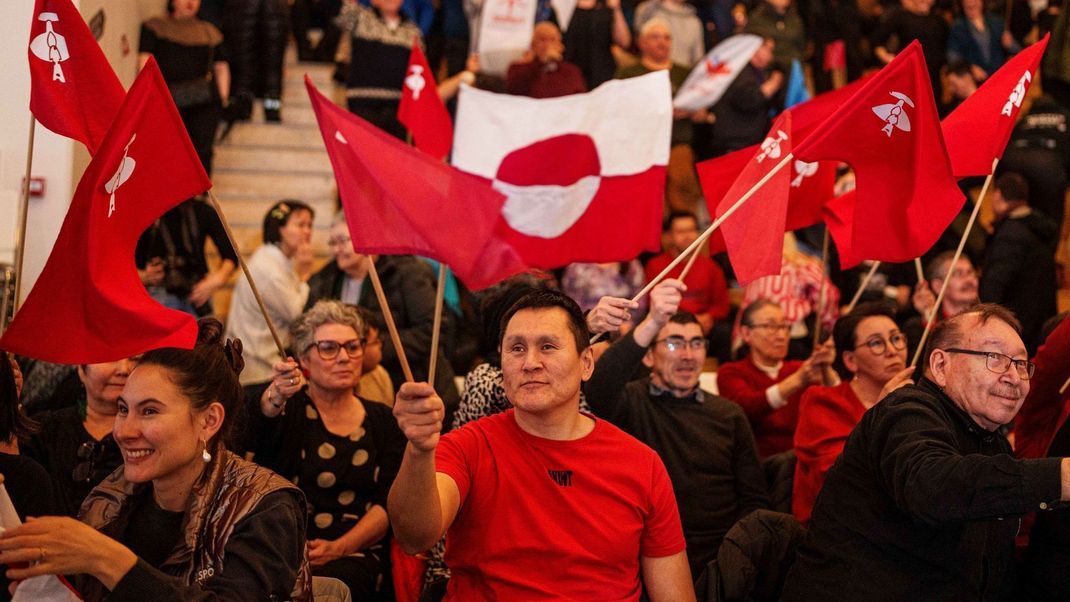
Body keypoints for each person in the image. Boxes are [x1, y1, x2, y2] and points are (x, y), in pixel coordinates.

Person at [388, 290, 695, 600]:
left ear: (586, 362)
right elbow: (414, 536)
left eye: (547, 347)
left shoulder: (642, 463)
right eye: (516, 348)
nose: (530, 363)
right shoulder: (468, 446)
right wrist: (418, 450)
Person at [0, 319, 311, 600]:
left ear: (209, 420)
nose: (123, 431)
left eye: (149, 411)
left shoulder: (264, 506)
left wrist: (107, 558)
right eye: (123, 410)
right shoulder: (108, 500)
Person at [783, 305, 1070, 600]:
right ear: (941, 365)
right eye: (994, 358)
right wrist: (1058, 476)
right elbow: (932, 487)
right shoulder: (906, 411)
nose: (1013, 376)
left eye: (1021, 364)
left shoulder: (992, 442)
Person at [585, 279, 769, 580]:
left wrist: (735, 558)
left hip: (719, 558)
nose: (687, 355)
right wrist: (653, 322)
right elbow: (598, 388)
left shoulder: (728, 414)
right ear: (648, 355)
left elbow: (754, 501)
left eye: (696, 343)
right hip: (643, 553)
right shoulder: (631, 402)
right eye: (674, 343)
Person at [251, 301, 405, 599]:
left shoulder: (384, 420)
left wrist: (339, 548)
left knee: (340, 584)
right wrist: (275, 395)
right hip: (285, 547)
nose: (344, 357)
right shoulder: (288, 409)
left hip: (357, 549)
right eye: (329, 348)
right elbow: (254, 422)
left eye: (352, 346)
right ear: (303, 359)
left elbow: (386, 505)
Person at [305, 213, 461, 414]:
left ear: (364, 238)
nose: (337, 249)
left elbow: (432, 331)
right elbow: (307, 326)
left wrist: (369, 348)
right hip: (356, 393)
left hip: (412, 385)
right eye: (332, 243)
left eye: (343, 240)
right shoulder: (325, 280)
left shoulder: (406, 272)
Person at [792, 303, 914, 523]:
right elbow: (839, 479)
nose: (892, 350)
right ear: (850, 360)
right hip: (838, 528)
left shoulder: (918, 402)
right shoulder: (823, 401)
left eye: (896, 339)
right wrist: (881, 412)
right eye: (876, 343)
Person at [717, 299, 837, 458]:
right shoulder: (731, 372)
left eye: (785, 327)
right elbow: (747, 407)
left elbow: (836, 402)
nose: (781, 335)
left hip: (801, 458)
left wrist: (826, 369)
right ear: (746, 333)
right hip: (758, 463)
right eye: (770, 327)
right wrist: (796, 381)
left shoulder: (798, 369)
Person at [616, 21, 708, 213]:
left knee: (684, 192)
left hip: (678, 144)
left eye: (667, 38)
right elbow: (619, 111)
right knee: (649, 203)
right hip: (642, 149)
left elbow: (702, 113)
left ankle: (685, 237)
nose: (662, 43)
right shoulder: (628, 74)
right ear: (641, 43)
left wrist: (691, 111)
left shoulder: (684, 73)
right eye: (655, 37)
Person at [24, 359, 135, 516]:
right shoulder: (42, 428)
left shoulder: (147, 437)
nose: (124, 369)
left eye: (135, 359)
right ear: (82, 369)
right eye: (111, 358)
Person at [225, 200, 314, 386]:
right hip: (257, 364)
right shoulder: (270, 269)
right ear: (280, 229)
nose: (307, 232)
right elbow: (296, 315)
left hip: (263, 355)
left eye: (309, 225)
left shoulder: (275, 258)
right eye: (300, 224)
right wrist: (305, 276)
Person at [139, 0, 230, 175]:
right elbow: (145, 63)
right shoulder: (155, 27)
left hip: (204, 102)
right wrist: (146, 95)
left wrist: (223, 99)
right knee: (166, 152)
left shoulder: (209, 32)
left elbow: (221, 66)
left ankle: (198, 198)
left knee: (200, 150)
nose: (190, 2)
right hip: (165, 101)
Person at [980, 172, 1058, 353]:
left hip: (1016, 329)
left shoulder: (1010, 234)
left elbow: (994, 286)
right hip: (1040, 325)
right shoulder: (1039, 228)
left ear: (998, 195)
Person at [336, 0, 424, 140]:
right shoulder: (360, 18)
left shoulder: (412, 30)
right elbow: (340, 16)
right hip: (362, 103)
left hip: (398, 108)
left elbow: (419, 70)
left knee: (392, 159)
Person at [644, 212, 731, 341]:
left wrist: (708, 317)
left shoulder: (711, 266)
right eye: (681, 231)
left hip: (704, 323)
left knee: (724, 333)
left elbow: (722, 305)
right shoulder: (655, 266)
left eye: (691, 230)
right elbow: (651, 303)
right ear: (669, 236)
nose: (687, 236)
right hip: (669, 321)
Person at [705, 37, 783, 158]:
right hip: (734, 143)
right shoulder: (739, 70)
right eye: (768, 49)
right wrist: (772, 85)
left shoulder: (759, 72)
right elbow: (747, 100)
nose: (771, 55)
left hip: (748, 141)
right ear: (756, 47)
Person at [872, 0, 949, 95]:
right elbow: (877, 42)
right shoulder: (900, 16)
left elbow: (945, 50)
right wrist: (891, 60)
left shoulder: (940, 21)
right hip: (907, 77)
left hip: (933, 79)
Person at [506, 22, 588, 98]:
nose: (547, 45)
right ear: (533, 44)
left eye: (552, 40)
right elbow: (513, 91)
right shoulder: (518, 68)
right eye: (542, 40)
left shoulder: (571, 71)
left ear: (559, 45)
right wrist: (541, 63)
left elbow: (580, 101)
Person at [563, 0, 632, 88]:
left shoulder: (607, 4)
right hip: (572, 73)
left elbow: (624, 42)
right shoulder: (564, 6)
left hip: (603, 72)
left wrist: (616, 9)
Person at [947, 0, 1018, 78]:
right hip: (974, 81)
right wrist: (970, 68)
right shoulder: (957, 27)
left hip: (999, 77)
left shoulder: (996, 22)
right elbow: (953, 56)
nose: (971, 3)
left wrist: (1010, 44)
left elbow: (1016, 50)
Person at [633, 0, 704, 67]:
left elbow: (698, 59)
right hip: (652, 73)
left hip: (682, 76)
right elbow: (638, 31)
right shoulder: (650, 11)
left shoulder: (694, 21)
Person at [744, 0, 805, 70]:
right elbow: (750, 49)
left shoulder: (795, 20)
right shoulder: (756, 18)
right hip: (765, 70)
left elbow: (801, 47)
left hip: (792, 68)